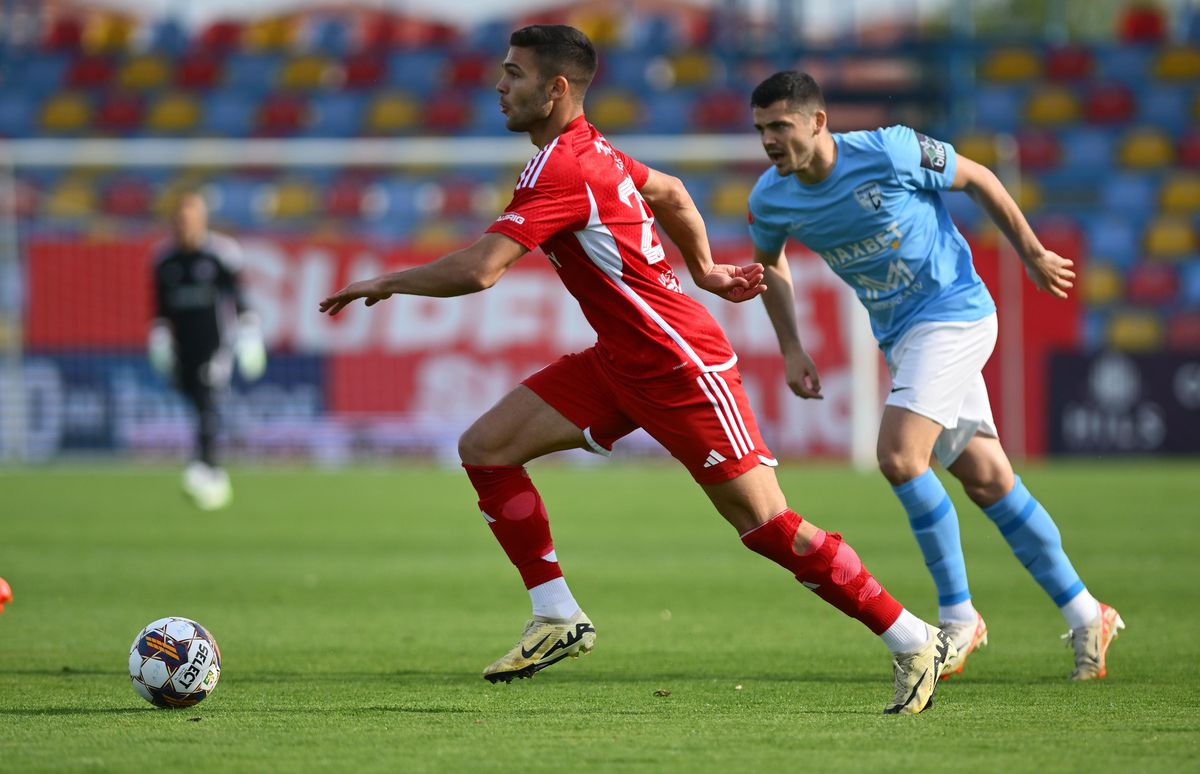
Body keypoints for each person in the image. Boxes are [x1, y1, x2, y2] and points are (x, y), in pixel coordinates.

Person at [320, 25, 956, 715]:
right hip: (621, 360)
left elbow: (481, 272)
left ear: (556, 89)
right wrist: (706, 269)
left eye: (514, 74)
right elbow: (675, 192)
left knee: (768, 525)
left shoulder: (565, 167)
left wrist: (387, 279)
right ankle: (557, 615)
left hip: (680, 364)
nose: (500, 86)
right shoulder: (589, 150)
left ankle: (910, 636)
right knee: (486, 447)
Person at [744, 71, 1123, 681]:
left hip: (954, 314)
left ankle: (959, 618)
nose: (768, 140)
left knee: (898, 456)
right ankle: (1087, 612)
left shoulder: (889, 150)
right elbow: (770, 264)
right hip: (903, 337)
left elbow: (979, 178)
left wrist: (1030, 254)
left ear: (817, 122)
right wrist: (792, 347)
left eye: (780, 127)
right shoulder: (771, 198)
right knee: (988, 480)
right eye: (761, 129)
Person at [149, 191, 265, 510]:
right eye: (180, 219)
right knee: (195, 400)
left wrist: (249, 334)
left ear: (202, 220)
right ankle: (211, 470)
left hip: (215, 344)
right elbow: (159, 306)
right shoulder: (164, 260)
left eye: (191, 218)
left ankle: (205, 468)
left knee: (206, 399)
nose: (185, 225)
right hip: (181, 347)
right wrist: (158, 336)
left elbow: (239, 298)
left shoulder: (220, 255)